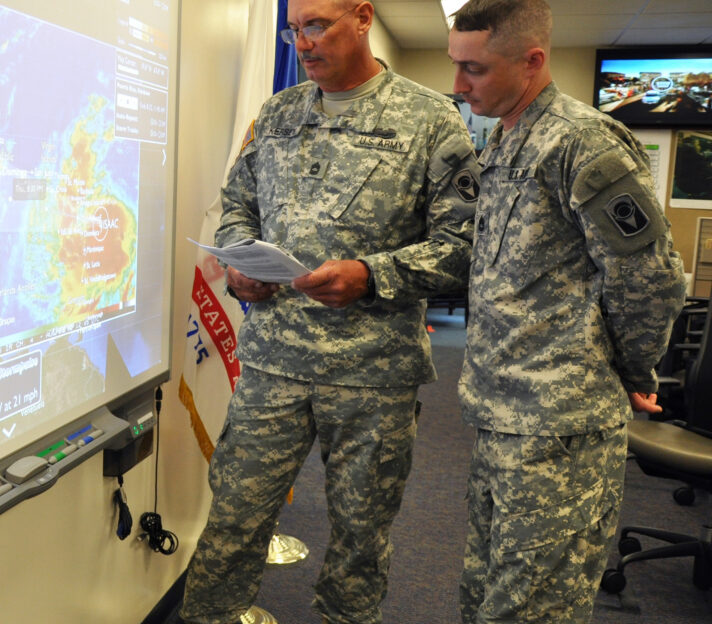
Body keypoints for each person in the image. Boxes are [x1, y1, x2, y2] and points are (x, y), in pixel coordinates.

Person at [178, 1, 479, 622]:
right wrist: (238, 265)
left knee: (359, 539)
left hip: (373, 374)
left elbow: (466, 248)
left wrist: (373, 274)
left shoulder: (431, 120)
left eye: (317, 25)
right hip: (272, 365)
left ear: (363, 18)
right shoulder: (279, 113)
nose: (303, 42)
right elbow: (236, 205)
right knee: (233, 517)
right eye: (294, 29)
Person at [447, 1, 687, 621]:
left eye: (473, 68)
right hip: (501, 413)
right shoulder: (505, 138)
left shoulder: (582, 141)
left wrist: (632, 371)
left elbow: (651, 279)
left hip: (561, 427)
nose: (457, 84)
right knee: (482, 594)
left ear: (532, 61)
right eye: (455, 66)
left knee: (531, 610)